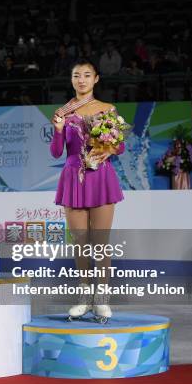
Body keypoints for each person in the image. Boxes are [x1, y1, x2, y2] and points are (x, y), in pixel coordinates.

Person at [50, 59, 126, 323]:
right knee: (80, 244)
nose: (81, 79)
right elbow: (56, 151)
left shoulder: (107, 109)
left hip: (100, 177)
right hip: (73, 177)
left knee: (100, 243)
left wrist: (106, 147)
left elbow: (121, 147)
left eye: (86, 75)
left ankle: (102, 299)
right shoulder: (64, 111)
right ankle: (84, 297)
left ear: (96, 79)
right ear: (71, 80)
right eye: (76, 75)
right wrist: (58, 130)